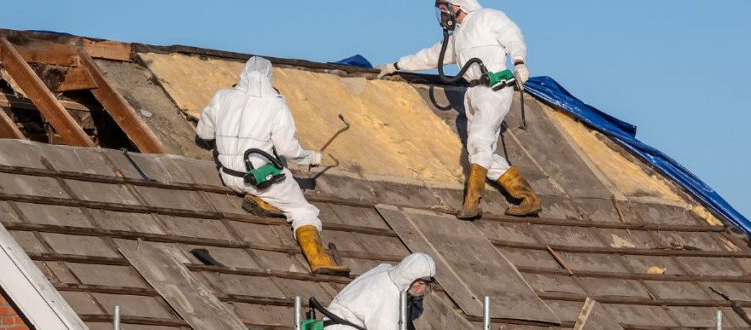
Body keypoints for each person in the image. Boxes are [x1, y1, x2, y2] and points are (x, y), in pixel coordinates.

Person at [376, 0, 541, 220]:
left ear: (459, 5)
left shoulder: (488, 17)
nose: (443, 13)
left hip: (495, 88)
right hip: (473, 92)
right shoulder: (457, 38)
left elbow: (513, 36)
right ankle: (528, 198)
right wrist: (395, 66)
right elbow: (430, 56)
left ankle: (472, 203)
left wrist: (519, 63)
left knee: (478, 142)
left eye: (445, 8)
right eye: (441, 10)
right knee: (481, 154)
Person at [196, 56, 349, 275]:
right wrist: (311, 158)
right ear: (269, 78)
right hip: (260, 178)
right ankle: (320, 260)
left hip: (229, 175)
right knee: (303, 211)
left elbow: (203, 134)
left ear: (243, 74)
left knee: (274, 178)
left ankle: (264, 202)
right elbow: (287, 149)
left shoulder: (222, 97)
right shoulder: (276, 105)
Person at [324, 253, 437, 330]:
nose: (421, 290)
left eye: (425, 285)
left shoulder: (386, 271)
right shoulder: (386, 298)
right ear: (409, 278)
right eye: (420, 283)